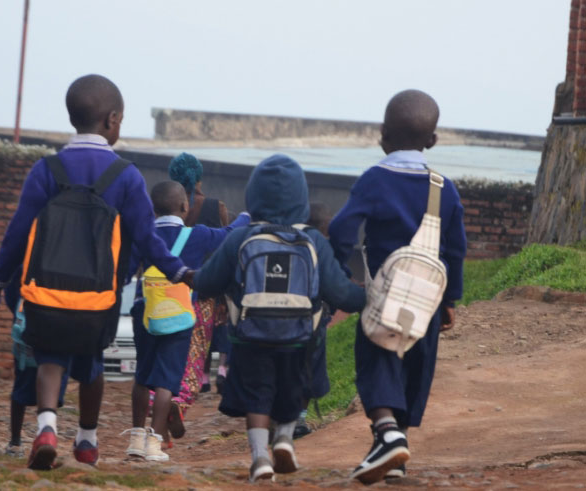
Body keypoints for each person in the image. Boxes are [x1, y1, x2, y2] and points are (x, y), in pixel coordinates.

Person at [0, 74, 188, 470]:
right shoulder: (126, 175)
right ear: (112, 120)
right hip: (100, 295)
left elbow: (18, 231)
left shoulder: (46, 169)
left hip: (47, 290)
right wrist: (178, 270)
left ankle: (47, 427)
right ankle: (86, 440)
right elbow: (147, 238)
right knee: (92, 365)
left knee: (49, 359)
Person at [193, 154, 365, 482]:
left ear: (253, 195)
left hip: (251, 336)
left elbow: (208, 282)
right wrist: (369, 298)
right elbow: (341, 293)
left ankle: (260, 456)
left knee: (258, 393)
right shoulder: (313, 240)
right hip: (301, 338)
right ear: (300, 197)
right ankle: (285, 438)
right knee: (294, 386)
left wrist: (190, 276)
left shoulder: (240, 238)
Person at [328, 89, 466, 484]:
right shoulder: (444, 187)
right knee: (413, 367)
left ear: (383, 134)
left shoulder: (375, 180)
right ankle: (396, 452)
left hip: (384, 297)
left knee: (377, 362)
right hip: (428, 300)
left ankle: (387, 433)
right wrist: (450, 299)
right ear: (432, 140)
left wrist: (339, 270)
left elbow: (341, 228)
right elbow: (456, 249)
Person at [125, 181, 249, 462]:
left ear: (153, 209)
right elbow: (230, 234)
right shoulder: (198, 235)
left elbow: (128, 269)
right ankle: (154, 444)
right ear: (184, 207)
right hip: (178, 315)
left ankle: (135, 439)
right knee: (167, 379)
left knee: (142, 376)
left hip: (144, 310)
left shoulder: (143, 235)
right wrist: (246, 215)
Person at [167, 153, 231, 399]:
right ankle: (197, 384)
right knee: (203, 339)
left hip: (171, 287)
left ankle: (172, 384)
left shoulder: (166, 207)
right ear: (200, 179)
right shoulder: (217, 207)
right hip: (206, 288)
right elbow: (224, 251)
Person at [4, 268, 69, 458]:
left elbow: (12, 293)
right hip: (59, 332)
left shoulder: (27, 262)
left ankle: (16, 441)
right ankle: (47, 434)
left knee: (21, 389)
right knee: (53, 388)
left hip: (28, 334)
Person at [292, 202, 333, 440]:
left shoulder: (288, 241)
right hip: (312, 320)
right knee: (309, 370)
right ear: (322, 228)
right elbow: (333, 285)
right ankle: (299, 419)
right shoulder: (320, 245)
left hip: (281, 318)